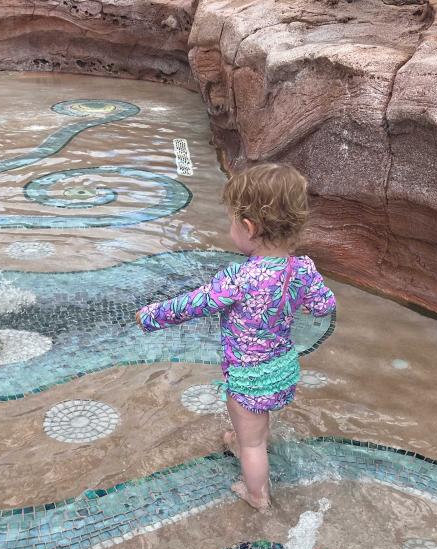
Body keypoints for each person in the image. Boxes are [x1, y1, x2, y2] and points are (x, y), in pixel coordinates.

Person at [136, 164, 337, 510]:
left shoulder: (239, 278)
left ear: (248, 227)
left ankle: (256, 494)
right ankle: (247, 437)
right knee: (254, 427)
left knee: (252, 446)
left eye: (232, 221)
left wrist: (152, 315)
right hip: (283, 367)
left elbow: (193, 304)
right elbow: (324, 306)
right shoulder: (303, 269)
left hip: (248, 375)